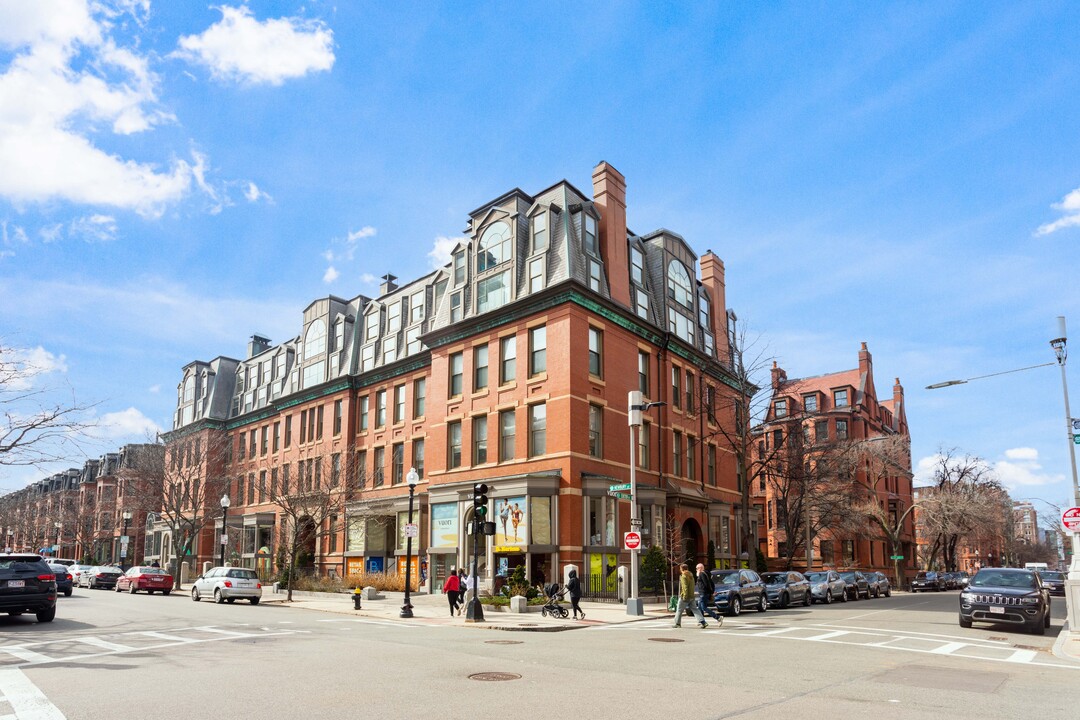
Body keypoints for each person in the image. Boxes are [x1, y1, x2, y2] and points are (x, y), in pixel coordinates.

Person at [674, 563, 706, 628]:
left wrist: (685, 596)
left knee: (679, 609)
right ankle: (703, 622)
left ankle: (677, 623)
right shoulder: (691, 575)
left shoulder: (683, 576)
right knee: (695, 609)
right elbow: (693, 585)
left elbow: (685, 587)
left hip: (685, 596)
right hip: (692, 596)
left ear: (681, 569)